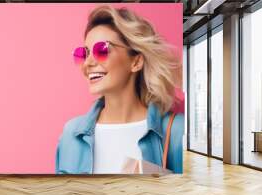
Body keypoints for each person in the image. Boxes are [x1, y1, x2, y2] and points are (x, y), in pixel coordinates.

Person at [55, 5, 184, 174]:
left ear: (136, 62)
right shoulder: (71, 134)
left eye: (102, 50)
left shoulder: (176, 131)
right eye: (84, 54)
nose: (88, 63)